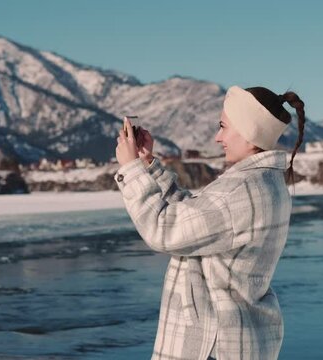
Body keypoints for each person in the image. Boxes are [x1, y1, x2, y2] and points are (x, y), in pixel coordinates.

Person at [114, 85, 306, 360]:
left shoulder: (238, 191)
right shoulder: (265, 182)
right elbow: (195, 219)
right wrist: (148, 165)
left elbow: (163, 230)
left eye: (224, 126)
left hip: (211, 346)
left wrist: (130, 169)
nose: (218, 137)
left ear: (248, 131)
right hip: (238, 340)